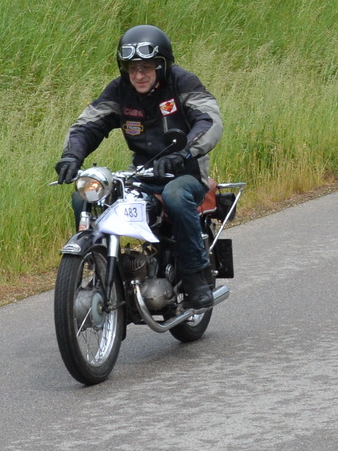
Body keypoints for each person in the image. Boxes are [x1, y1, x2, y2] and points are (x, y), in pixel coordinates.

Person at [55, 24, 224, 309]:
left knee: (175, 195)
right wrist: (72, 156)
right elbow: (88, 125)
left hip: (186, 172)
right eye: (132, 68)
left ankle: (196, 275)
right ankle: (100, 266)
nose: (139, 75)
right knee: (84, 195)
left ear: (161, 65)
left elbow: (210, 122)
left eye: (146, 67)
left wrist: (183, 152)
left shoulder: (183, 83)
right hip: (141, 175)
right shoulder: (120, 90)